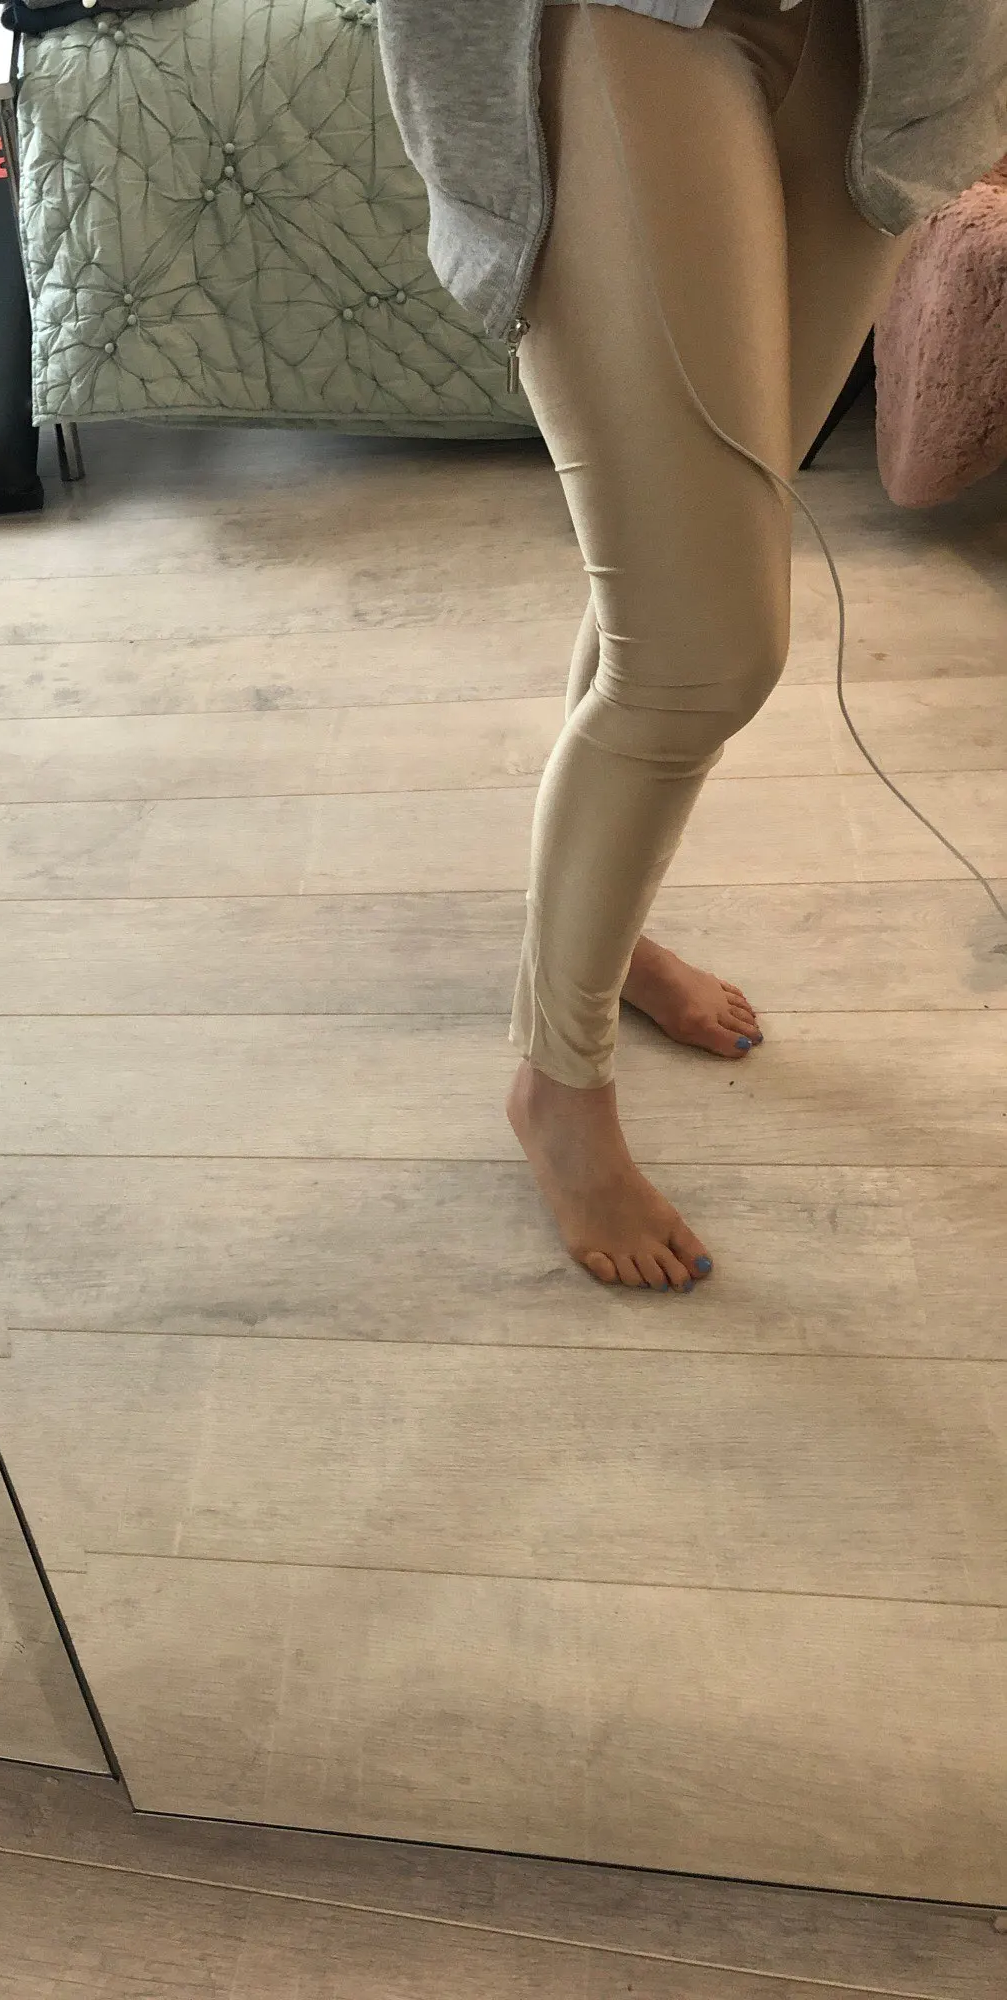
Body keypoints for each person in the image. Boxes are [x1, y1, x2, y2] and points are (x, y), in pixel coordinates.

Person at [376, 0, 1007, 1291]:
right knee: (705, 647)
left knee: (667, 584)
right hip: (628, 13)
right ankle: (558, 1084)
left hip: (888, 39)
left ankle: (605, 949)